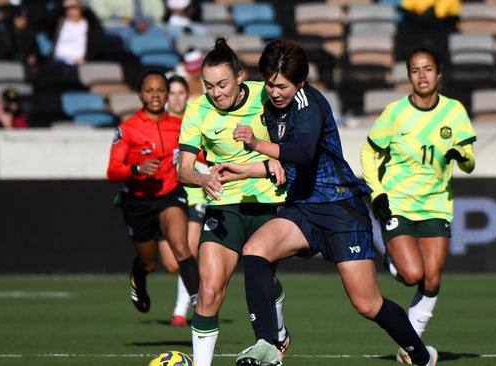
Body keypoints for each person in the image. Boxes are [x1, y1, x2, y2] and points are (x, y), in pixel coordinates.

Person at [215, 39, 437, 366]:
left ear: (301, 83)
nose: (275, 92)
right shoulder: (266, 98)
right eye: (270, 84)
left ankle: (420, 355)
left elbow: (302, 153)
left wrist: (255, 143)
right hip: (302, 207)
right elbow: (284, 164)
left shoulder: (310, 104)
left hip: (339, 207)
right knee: (254, 251)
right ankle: (267, 344)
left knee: (367, 304)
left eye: (283, 86)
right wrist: (241, 172)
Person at [176, 38, 290, 366]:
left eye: (223, 84)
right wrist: (204, 178)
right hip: (224, 204)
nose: (216, 93)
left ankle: (278, 332)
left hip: (268, 202)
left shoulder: (266, 96)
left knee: (264, 281)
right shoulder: (197, 109)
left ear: (240, 77)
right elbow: (184, 170)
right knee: (209, 291)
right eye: (208, 86)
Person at [360, 48, 476, 364]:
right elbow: (368, 153)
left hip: (437, 204)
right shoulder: (395, 113)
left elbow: (469, 162)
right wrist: (377, 194)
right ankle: (394, 262)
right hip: (397, 201)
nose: (421, 75)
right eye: (415, 70)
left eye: (427, 69)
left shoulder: (454, 111)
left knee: (432, 278)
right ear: (408, 76)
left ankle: (411, 346)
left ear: (439, 75)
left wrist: (460, 156)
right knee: (412, 274)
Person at [106, 70, 199, 317]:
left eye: (160, 90)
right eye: (149, 90)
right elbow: (113, 171)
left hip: (170, 195)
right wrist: (137, 168)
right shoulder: (128, 129)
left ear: (167, 94)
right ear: (140, 95)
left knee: (182, 247)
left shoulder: (179, 126)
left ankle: (201, 305)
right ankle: (139, 277)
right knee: (149, 261)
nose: (155, 95)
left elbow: (201, 154)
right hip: (138, 202)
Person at [160, 74, 206, 327]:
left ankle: (182, 310)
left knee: (188, 250)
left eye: (180, 93)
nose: (176, 98)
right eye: (172, 93)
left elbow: (205, 155)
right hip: (166, 196)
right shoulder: (160, 125)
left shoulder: (194, 120)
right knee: (170, 261)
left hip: (193, 194)